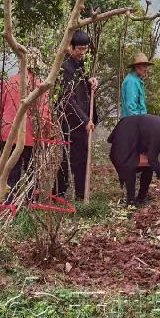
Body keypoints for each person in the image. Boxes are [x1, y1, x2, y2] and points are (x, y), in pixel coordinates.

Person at [0, 71, 50, 205]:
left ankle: (10, 201)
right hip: (31, 135)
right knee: (32, 171)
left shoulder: (10, 82)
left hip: (9, 133)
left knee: (11, 170)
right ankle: (30, 201)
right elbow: (44, 113)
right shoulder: (40, 85)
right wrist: (46, 135)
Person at [54, 30, 99, 200]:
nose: (83, 52)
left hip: (81, 120)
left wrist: (90, 82)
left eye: (86, 49)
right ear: (70, 47)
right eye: (80, 48)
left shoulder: (78, 64)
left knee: (78, 158)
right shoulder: (64, 66)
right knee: (71, 158)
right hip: (70, 121)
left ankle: (78, 194)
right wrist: (85, 120)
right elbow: (66, 99)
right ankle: (57, 193)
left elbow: (81, 89)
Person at [121, 52, 152, 117]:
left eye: (146, 66)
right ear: (136, 66)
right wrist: (140, 124)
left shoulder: (137, 80)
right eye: (144, 66)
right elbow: (131, 109)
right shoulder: (131, 81)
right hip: (133, 123)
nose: (146, 69)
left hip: (138, 121)